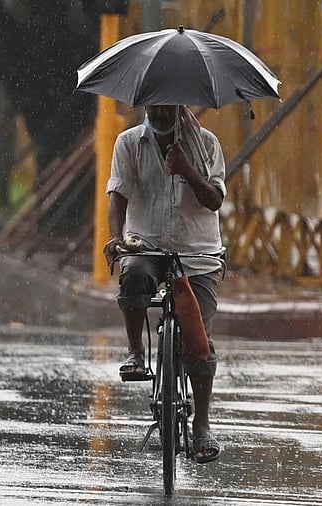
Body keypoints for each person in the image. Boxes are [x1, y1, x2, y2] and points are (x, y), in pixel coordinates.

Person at [103, 104, 226, 464]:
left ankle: (201, 425)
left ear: (180, 107)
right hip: (148, 246)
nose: (159, 113)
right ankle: (136, 353)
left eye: (167, 106)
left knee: (199, 341)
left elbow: (215, 199)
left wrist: (187, 169)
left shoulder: (206, 144)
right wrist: (116, 237)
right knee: (134, 275)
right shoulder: (128, 143)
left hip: (197, 254)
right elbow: (118, 195)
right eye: (153, 105)